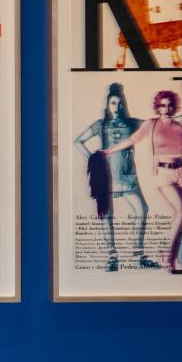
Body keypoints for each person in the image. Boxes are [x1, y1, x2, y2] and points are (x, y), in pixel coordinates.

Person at [102, 89, 182, 269]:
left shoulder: (181, 125)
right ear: (158, 107)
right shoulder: (152, 124)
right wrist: (109, 150)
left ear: (175, 106)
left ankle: (175, 260)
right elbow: (132, 140)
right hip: (163, 173)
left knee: (181, 217)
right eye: (163, 105)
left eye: (170, 105)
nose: (167, 108)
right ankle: (167, 255)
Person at [75, 82, 155, 271]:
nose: (116, 107)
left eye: (119, 103)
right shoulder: (101, 125)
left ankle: (139, 254)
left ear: (123, 104)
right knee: (106, 216)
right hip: (106, 179)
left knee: (142, 211)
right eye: (113, 103)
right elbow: (78, 141)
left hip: (127, 177)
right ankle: (112, 257)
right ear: (107, 105)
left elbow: (154, 124)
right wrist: (94, 160)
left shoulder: (131, 123)